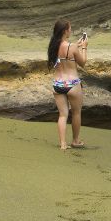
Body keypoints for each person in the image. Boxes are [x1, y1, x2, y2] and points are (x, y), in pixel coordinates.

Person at [47, 19, 88, 150]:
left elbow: (64, 52)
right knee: (76, 113)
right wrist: (84, 47)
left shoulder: (53, 46)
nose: (71, 30)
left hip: (57, 84)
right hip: (72, 83)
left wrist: (75, 46)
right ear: (65, 30)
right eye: (70, 28)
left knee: (63, 115)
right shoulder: (72, 47)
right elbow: (83, 63)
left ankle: (63, 143)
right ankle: (75, 141)